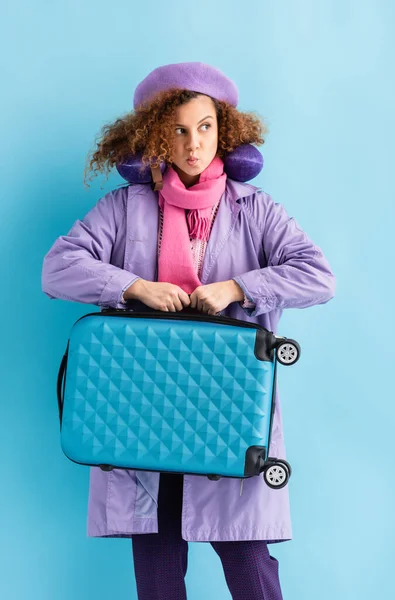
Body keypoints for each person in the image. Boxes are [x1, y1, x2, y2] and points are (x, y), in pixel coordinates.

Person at [41, 62, 336, 600]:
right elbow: (57, 268)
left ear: (226, 133)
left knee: (249, 563)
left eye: (205, 127)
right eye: (178, 129)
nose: (194, 143)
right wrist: (134, 285)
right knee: (156, 572)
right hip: (143, 410)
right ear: (157, 134)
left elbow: (318, 276)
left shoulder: (257, 210)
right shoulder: (122, 209)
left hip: (229, 408)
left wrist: (237, 288)